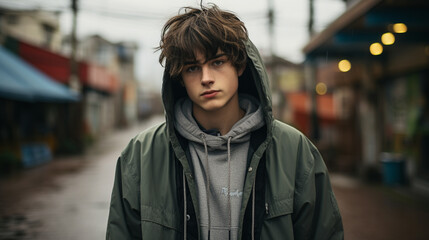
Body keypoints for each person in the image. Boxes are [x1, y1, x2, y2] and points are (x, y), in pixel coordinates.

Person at [106, 4, 343, 240]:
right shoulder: (141, 155)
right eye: (192, 68)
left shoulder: (294, 150)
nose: (206, 78)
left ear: (239, 65)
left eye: (217, 62)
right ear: (180, 78)